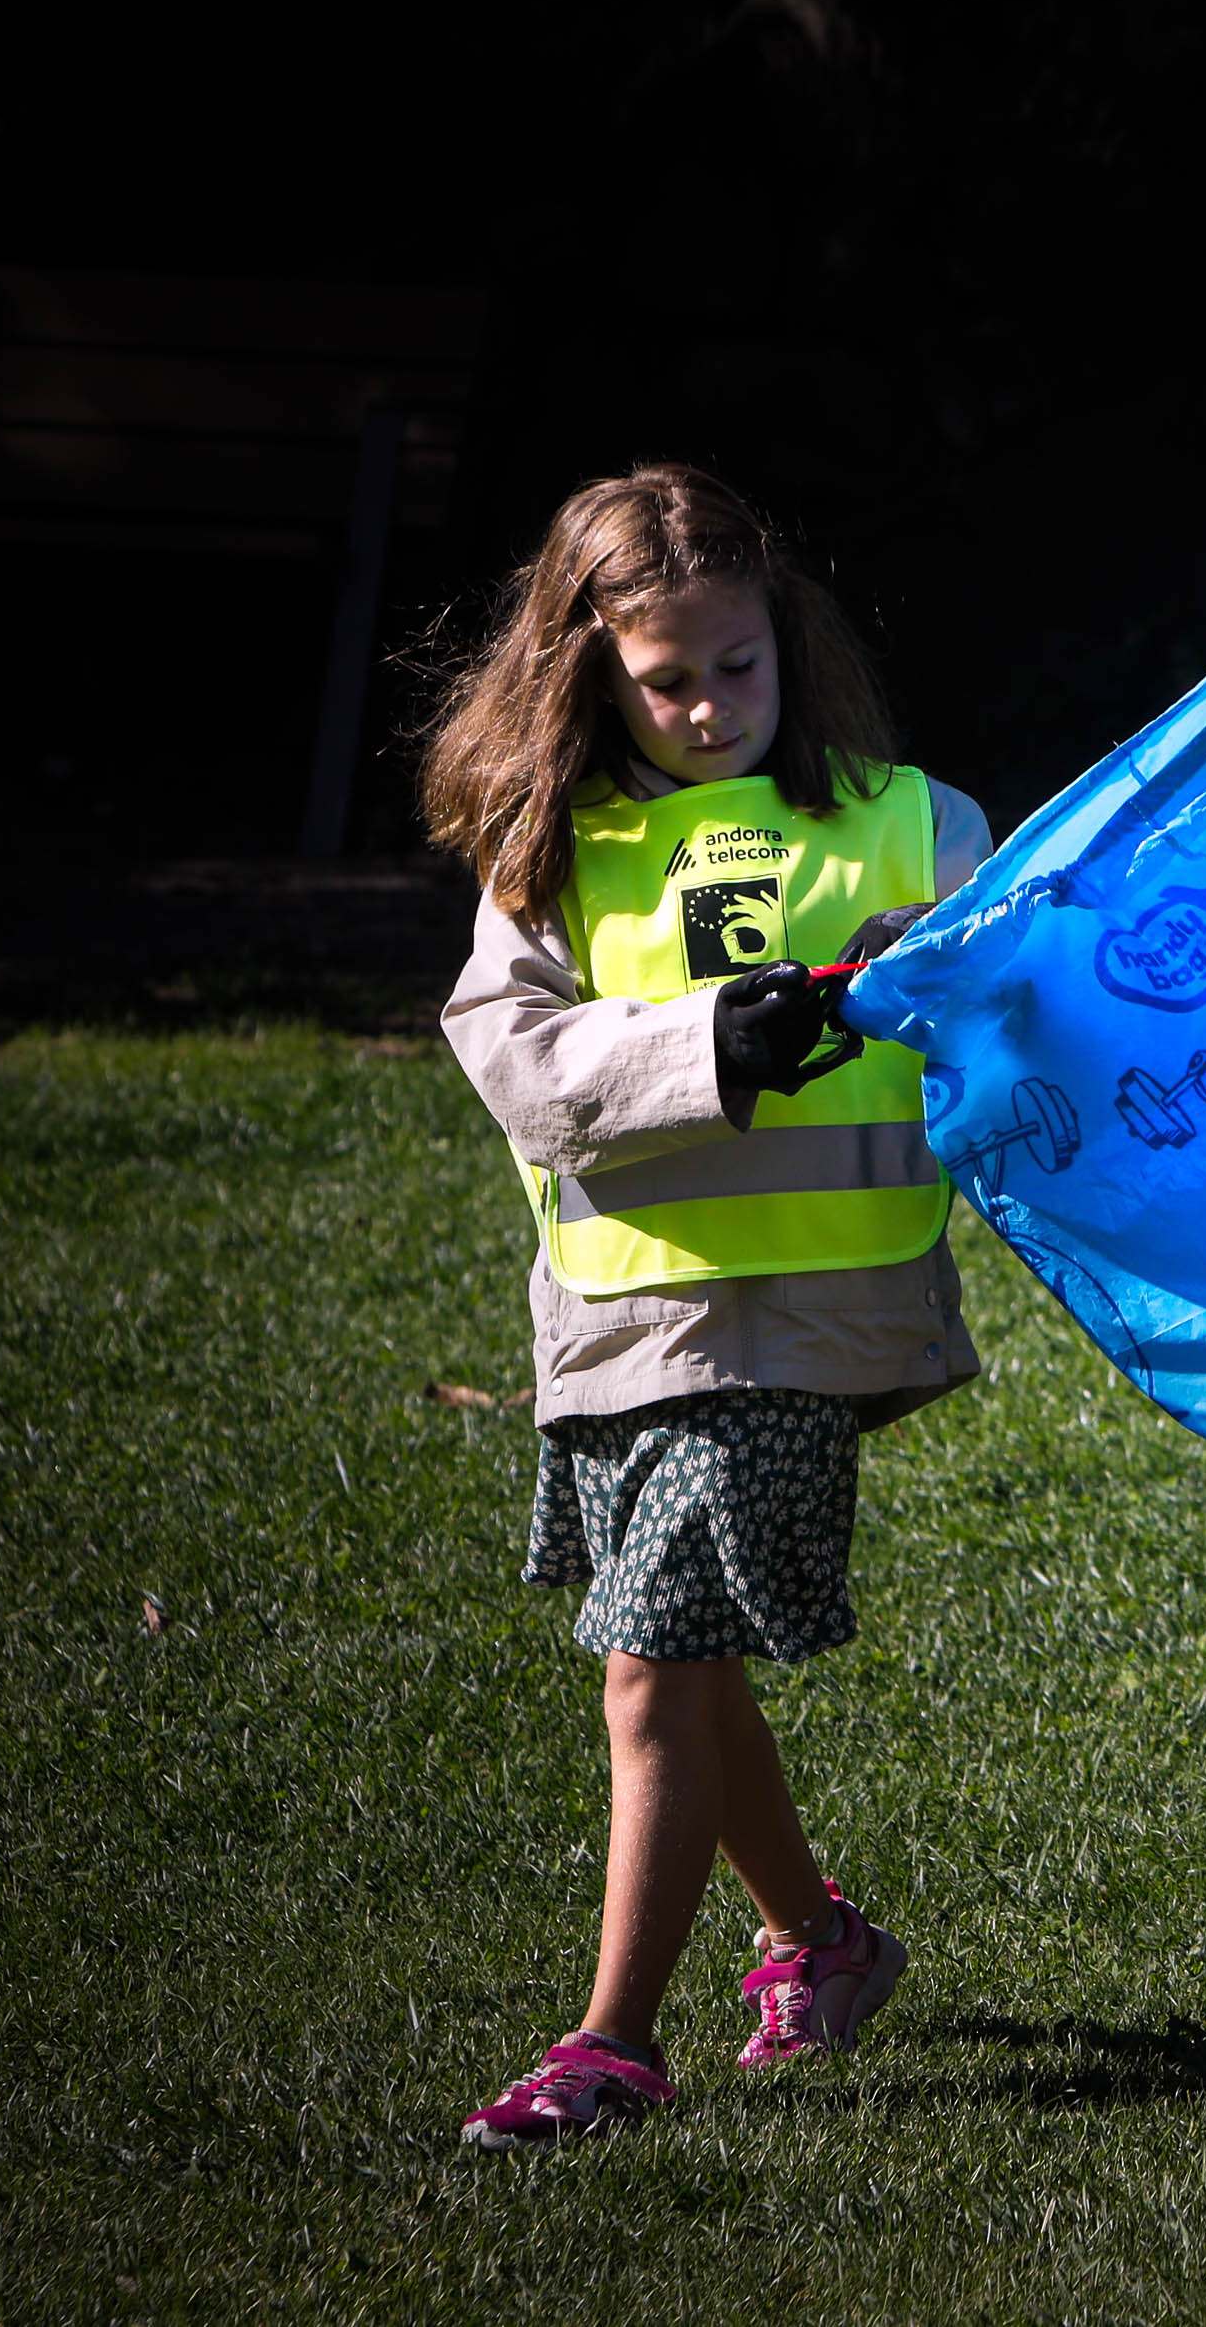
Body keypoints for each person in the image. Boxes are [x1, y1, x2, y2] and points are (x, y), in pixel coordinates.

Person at [420, 464, 989, 2150]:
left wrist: (931, 964)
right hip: (620, 1321)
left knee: (652, 1669)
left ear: (784, 643)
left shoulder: (912, 818)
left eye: (734, 666)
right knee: (681, 1664)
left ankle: (611, 2043)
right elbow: (514, 1058)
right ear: (586, 673)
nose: (707, 706)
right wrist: (702, 1046)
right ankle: (824, 1938)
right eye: (664, 680)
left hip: (811, 1314)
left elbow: (1030, 989)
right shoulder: (547, 849)